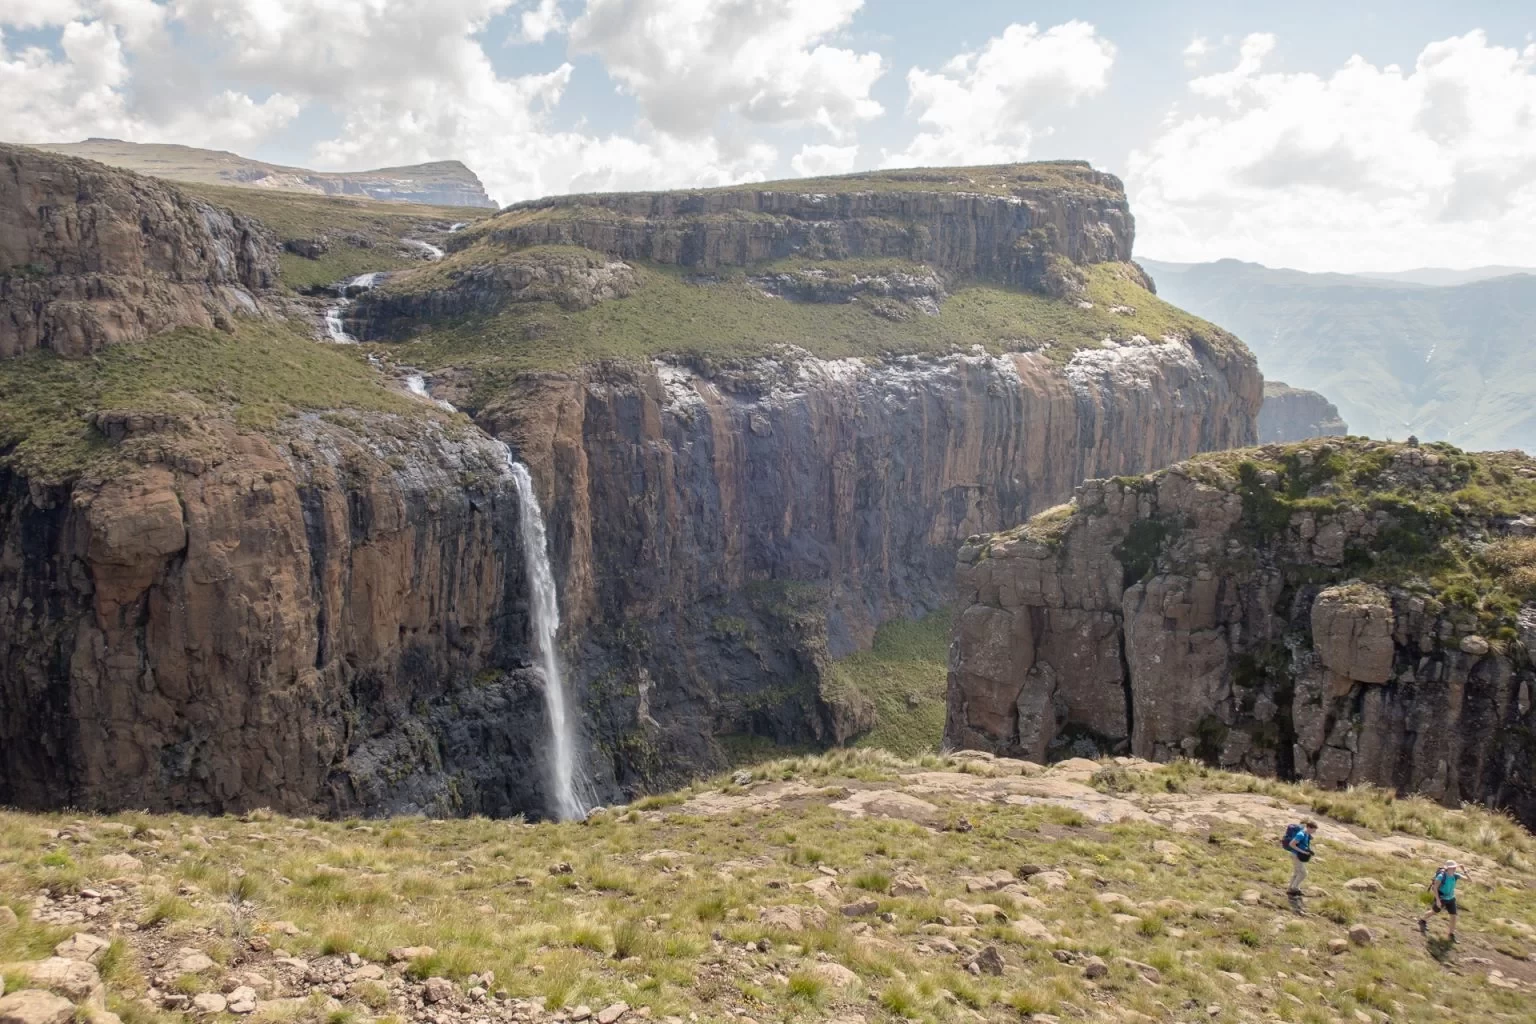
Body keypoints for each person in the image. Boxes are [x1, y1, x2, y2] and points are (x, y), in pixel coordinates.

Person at [1420, 860, 1469, 940]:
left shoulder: (1455, 875)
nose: (1454, 869)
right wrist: (1438, 900)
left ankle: (1451, 935)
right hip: (1442, 898)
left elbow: (1469, 880)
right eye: (1452, 868)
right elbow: (1435, 888)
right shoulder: (1441, 876)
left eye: (1455, 867)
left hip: (1451, 898)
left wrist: (1464, 870)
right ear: (1447, 868)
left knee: (1453, 915)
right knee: (1434, 912)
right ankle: (1422, 920)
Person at [1284, 820, 1317, 897]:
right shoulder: (1301, 834)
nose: (1314, 832)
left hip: (1298, 855)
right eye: (1313, 830)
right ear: (1309, 827)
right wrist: (1303, 852)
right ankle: (1294, 888)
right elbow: (1291, 844)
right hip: (1296, 855)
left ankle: (1290, 889)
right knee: (1303, 873)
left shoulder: (1306, 834)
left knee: (1296, 873)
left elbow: (1303, 844)